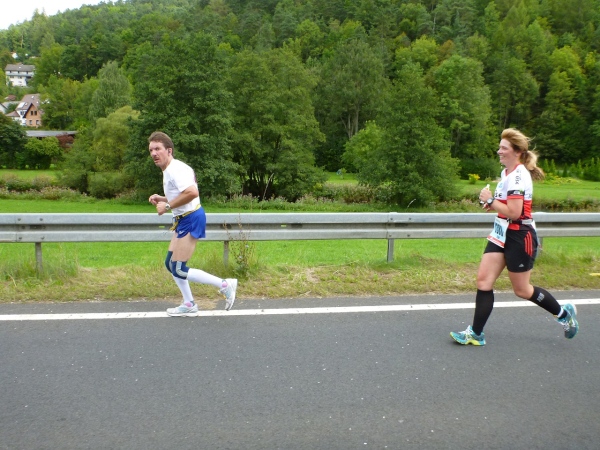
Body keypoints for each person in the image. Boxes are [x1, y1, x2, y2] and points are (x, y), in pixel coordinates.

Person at [450, 128, 579, 345]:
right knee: (484, 281)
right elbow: (506, 207)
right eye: (499, 147)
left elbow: (516, 212)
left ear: (517, 152)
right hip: (501, 233)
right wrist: (493, 205)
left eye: (504, 148)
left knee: (522, 290)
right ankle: (476, 334)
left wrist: (490, 200)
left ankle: (563, 314)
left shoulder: (519, 176)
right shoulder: (506, 174)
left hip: (520, 236)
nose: (499, 151)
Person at [147, 131, 237, 317]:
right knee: (170, 264)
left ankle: (224, 285)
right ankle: (189, 303)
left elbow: (192, 192)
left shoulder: (175, 169)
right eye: (151, 150)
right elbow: (181, 194)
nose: (154, 153)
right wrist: (162, 198)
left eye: (157, 149)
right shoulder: (169, 170)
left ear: (169, 150)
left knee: (179, 268)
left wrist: (167, 206)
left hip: (191, 218)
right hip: (183, 219)